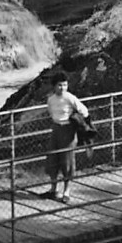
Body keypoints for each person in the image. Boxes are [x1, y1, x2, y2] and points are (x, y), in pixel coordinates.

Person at [45, 70, 88, 203]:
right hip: (56, 128)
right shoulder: (51, 99)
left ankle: (66, 191)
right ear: (54, 86)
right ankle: (53, 189)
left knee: (67, 160)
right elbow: (51, 112)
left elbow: (84, 111)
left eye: (64, 85)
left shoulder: (70, 98)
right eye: (59, 85)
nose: (62, 88)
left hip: (68, 129)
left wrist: (75, 119)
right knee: (53, 158)